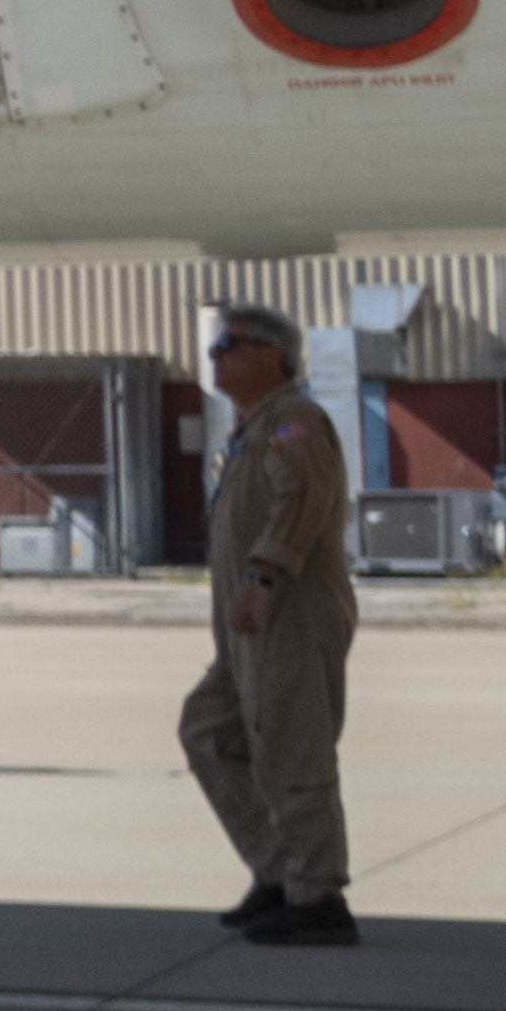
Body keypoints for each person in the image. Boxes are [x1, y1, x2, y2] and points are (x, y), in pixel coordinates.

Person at [181, 309, 360, 946]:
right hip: (247, 628)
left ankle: (319, 896)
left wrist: (262, 579)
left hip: (287, 613)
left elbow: (301, 505)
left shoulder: (294, 421)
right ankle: (280, 871)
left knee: (292, 745)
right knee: (208, 729)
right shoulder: (255, 429)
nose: (215, 357)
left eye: (228, 346)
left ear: (271, 355)